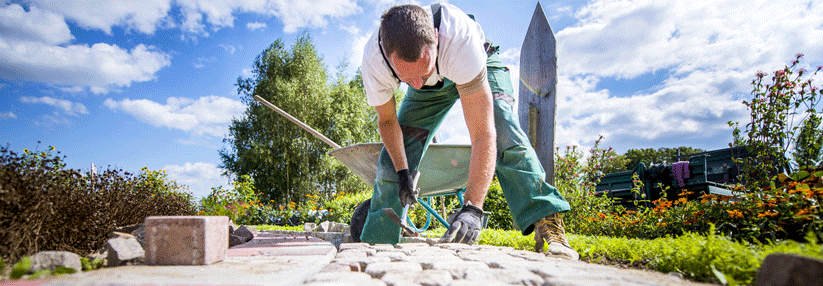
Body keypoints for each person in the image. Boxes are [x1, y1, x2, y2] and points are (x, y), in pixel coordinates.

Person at [359, 3, 578, 260]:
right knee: (391, 162)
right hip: (429, 91)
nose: (416, 84)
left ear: (436, 40)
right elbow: (387, 121)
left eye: (423, 71)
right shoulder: (375, 61)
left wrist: (473, 208)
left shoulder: (459, 39)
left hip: (477, 68)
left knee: (504, 129)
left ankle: (549, 224)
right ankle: (375, 245)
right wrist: (402, 172)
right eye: (407, 79)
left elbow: (483, 134)